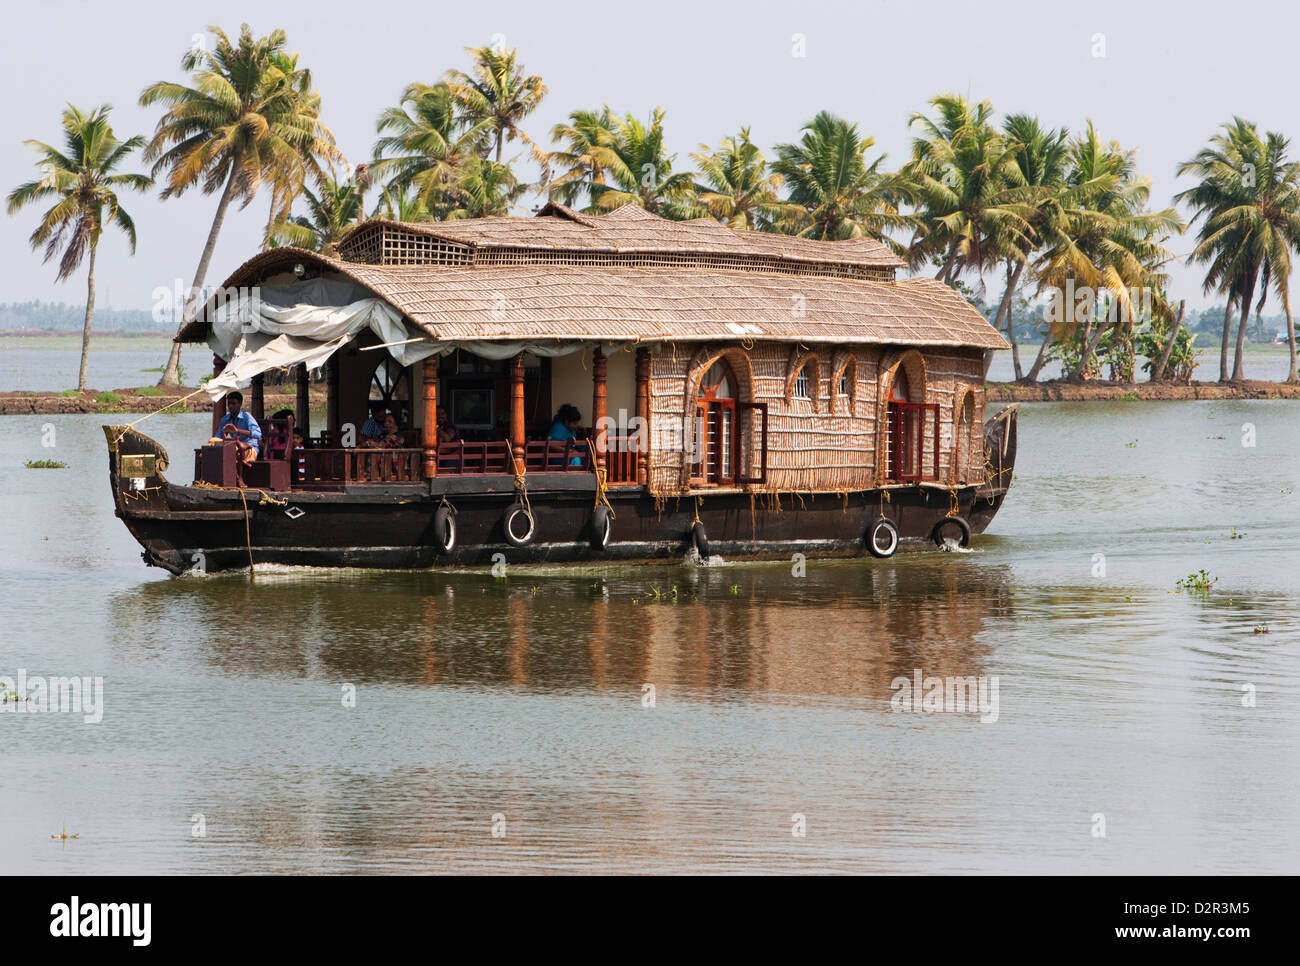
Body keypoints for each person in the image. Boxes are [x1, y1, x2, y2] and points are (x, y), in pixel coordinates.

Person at [214, 391, 261, 465]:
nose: (230, 406)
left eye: (233, 403)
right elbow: (218, 437)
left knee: (230, 450)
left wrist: (238, 431)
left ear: (240, 404)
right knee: (213, 442)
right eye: (229, 404)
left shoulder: (247, 417)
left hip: (250, 449)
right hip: (235, 447)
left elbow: (258, 434)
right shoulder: (225, 419)